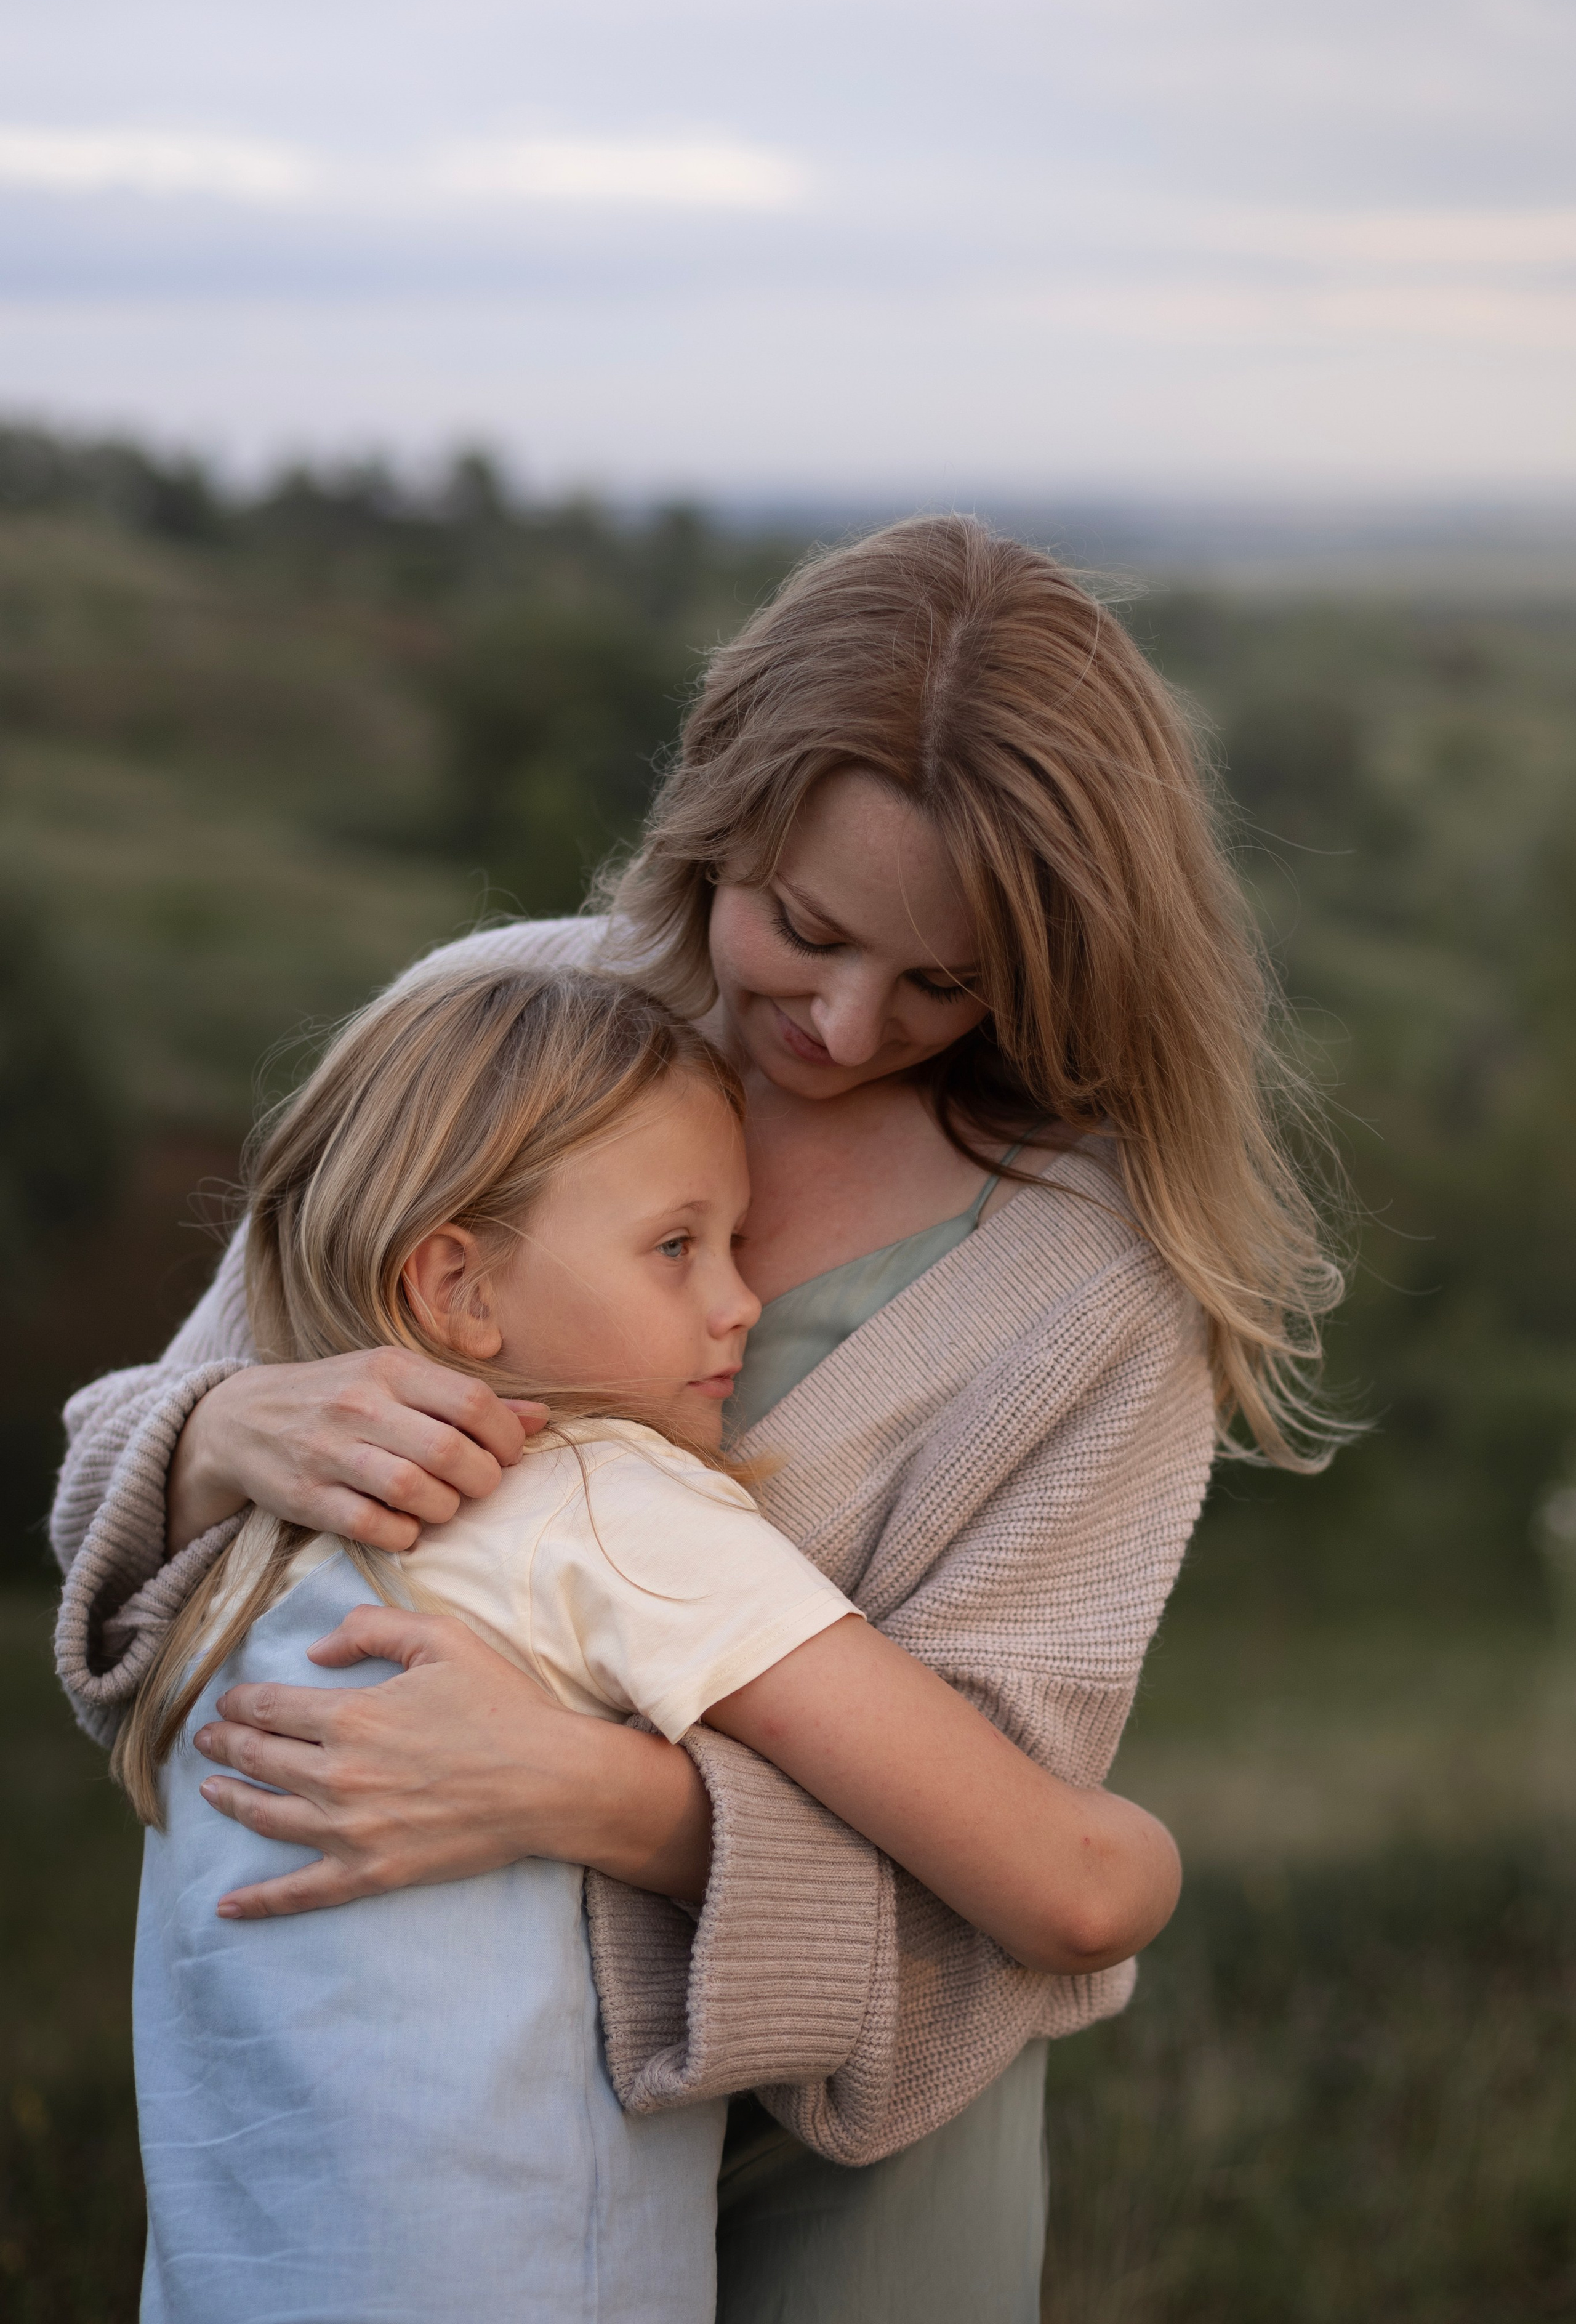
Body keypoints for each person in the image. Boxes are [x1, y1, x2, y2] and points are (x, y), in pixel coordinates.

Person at [54, 515, 1340, 2323]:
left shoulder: (1094, 1285)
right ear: (715, 811)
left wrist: (599, 1802)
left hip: (854, 2142)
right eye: (802, 928)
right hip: (421, 2120)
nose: (839, 1018)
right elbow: (158, 1569)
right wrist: (220, 1432)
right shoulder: (491, 1032)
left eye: (944, 981)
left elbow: (1011, 1851)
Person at [121, 961, 1180, 2324]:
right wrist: (1147, 1856)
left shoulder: (231, 1561)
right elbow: (1077, 1895)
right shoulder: (601, 1514)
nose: (741, 1301)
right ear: (457, 1285)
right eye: (680, 1246)